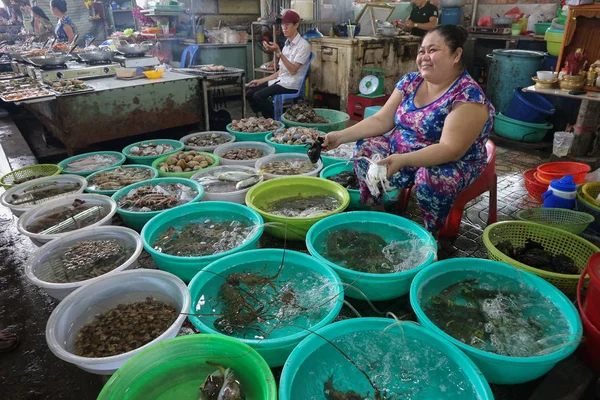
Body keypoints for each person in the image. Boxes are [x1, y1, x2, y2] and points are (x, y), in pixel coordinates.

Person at [323, 25, 494, 235]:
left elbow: (450, 149)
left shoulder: (468, 97)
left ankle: (433, 235)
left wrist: (403, 159)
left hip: (452, 162)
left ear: (456, 54)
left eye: (433, 50)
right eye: (421, 51)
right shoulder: (411, 82)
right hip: (401, 151)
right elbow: (381, 120)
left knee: (431, 176)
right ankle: (378, 212)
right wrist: (339, 137)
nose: (424, 57)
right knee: (366, 147)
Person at [246, 10, 311, 119]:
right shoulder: (286, 45)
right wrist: (260, 81)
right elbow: (281, 71)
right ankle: (267, 115)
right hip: (281, 80)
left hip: (291, 84)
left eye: (287, 24)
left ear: (296, 25)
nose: (284, 27)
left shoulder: (303, 46)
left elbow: (293, 70)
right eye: (282, 24)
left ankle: (277, 120)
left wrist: (279, 52)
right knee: (250, 94)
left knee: (258, 96)